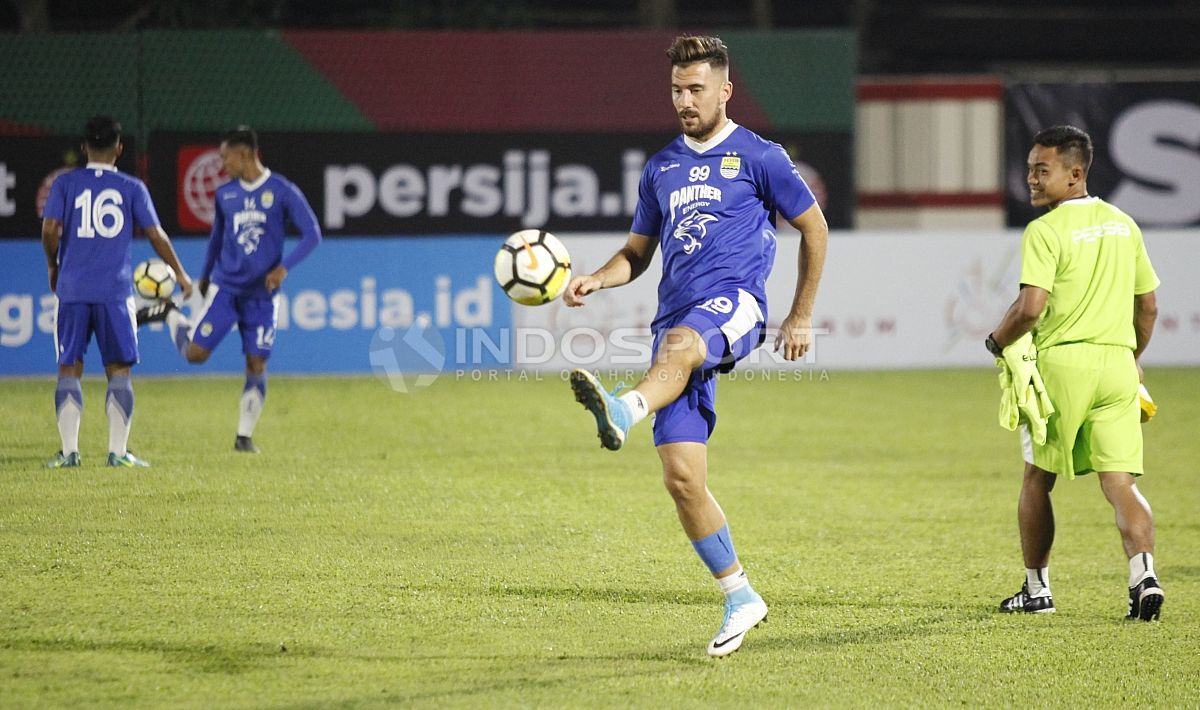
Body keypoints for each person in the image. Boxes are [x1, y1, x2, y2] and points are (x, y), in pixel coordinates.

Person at [565, 36, 828, 656]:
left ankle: (623, 410)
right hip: (674, 326)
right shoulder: (661, 167)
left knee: (680, 348)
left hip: (735, 306)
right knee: (682, 477)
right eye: (677, 90)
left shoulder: (760, 156)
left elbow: (813, 227)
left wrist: (801, 315)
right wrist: (598, 278)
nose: (685, 100)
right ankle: (741, 596)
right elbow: (637, 253)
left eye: (696, 90)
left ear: (725, 91)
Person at [986, 125, 1163, 621]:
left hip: (1062, 367)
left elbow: (1030, 308)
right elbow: (1147, 306)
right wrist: (1132, 356)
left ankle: (1036, 589)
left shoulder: (1045, 230)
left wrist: (996, 342)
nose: (1032, 179)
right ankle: (1144, 575)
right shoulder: (1124, 224)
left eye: (1042, 170)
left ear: (1075, 173)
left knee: (1037, 478)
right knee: (1120, 482)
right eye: (1029, 169)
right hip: (1116, 366)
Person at [138, 126, 321, 453]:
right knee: (195, 355)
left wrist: (283, 268)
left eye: (226, 157)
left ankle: (243, 437)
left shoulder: (282, 191)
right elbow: (217, 239)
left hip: (263, 296)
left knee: (257, 364)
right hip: (226, 289)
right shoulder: (226, 195)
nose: (222, 165)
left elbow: (312, 234)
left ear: (245, 154)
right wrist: (204, 276)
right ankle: (169, 314)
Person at [42, 115, 193, 468]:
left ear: (84, 148)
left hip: (73, 289)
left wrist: (53, 263)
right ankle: (118, 452)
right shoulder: (132, 187)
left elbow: (50, 228)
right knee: (119, 369)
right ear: (119, 149)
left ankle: (69, 454)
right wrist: (182, 275)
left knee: (69, 367)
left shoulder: (66, 184)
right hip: (115, 292)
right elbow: (156, 235)